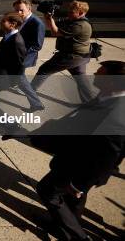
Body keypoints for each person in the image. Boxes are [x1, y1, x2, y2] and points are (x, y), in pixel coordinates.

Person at [35, 60, 124, 240]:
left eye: (101, 73)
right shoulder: (108, 96)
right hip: (78, 158)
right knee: (72, 199)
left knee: (47, 190)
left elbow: (108, 155)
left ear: (113, 81)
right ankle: (59, 224)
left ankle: (77, 237)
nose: (95, 74)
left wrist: (80, 184)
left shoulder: (117, 113)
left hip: (83, 166)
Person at [31, 0, 95, 103]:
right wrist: (49, 17)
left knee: (44, 69)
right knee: (80, 78)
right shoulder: (74, 21)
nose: (68, 14)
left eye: (71, 12)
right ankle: (92, 102)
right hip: (80, 56)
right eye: (69, 11)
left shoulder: (79, 25)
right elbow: (55, 25)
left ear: (81, 13)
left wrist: (49, 19)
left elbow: (55, 32)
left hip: (71, 56)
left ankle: (30, 90)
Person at [13, 0, 45, 111]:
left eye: (21, 10)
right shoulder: (20, 20)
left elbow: (38, 45)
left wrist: (21, 53)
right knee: (18, 78)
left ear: (29, 8)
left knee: (21, 79)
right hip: (15, 55)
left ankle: (36, 104)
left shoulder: (37, 23)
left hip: (24, 57)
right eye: (16, 10)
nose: (18, 13)